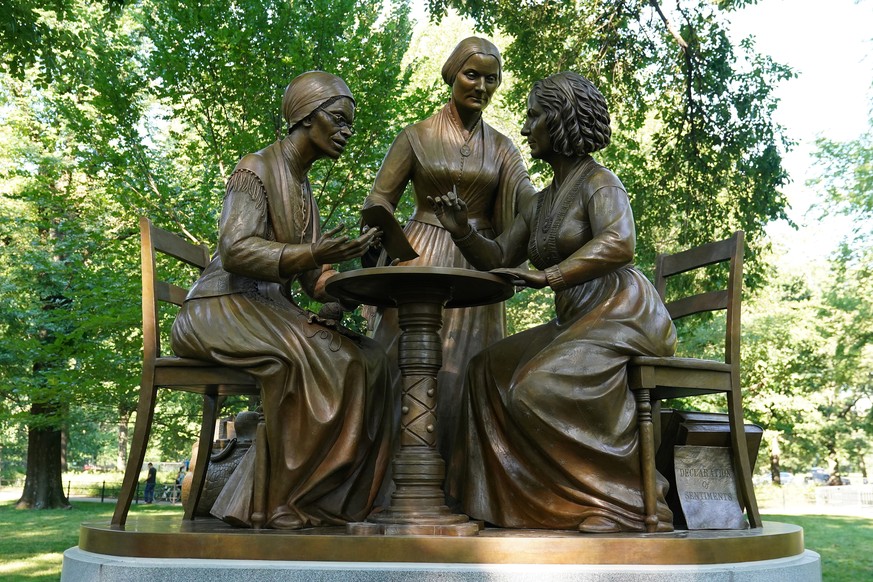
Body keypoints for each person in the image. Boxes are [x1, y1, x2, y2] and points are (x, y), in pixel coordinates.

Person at [430, 71, 678, 533]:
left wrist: (550, 276)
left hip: (622, 312)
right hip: (577, 318)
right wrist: (461, 228)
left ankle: (621, 503)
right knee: (485, 371)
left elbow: (620, 242)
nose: (525, 129)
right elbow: (500, 256)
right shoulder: (540, 203)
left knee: (534, 387)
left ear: (560, 120)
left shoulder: (600, 182)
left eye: (534, 116)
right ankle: (516, 505)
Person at [171, 71, 397, 530]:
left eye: (349, 123)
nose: (346, 131)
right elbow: (236, 249)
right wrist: (314, 253)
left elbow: (315, 281)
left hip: (265, 310)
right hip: (218, 308)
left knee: (373, 358)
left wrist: (360, 269)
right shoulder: (255, 168)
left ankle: (330, 499)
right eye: (337, 119)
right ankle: (280, 502)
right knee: (323, 360)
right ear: (304, 117)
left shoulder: (304, 190)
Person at [362, 37, 536, 467]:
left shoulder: (502, 147)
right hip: (419, 256)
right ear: (452, 74)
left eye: (490, 79)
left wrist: (567, 201)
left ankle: (460, 481)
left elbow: (529, 200)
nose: (480, 85)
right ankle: (394, 475)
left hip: (476, 261)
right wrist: (394, 244)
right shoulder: (416, 136)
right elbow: (379, 200)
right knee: (398, 364)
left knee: (470, 370)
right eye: (471, 74)